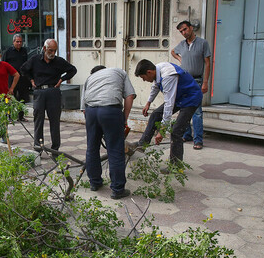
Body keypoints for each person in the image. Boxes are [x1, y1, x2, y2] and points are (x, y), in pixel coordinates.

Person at [128, 59, 202, 171]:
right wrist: (148, 102)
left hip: (191, 98)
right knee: (155, 114)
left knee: (176, 131)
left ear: (149, 72)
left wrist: (162, 131)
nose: (144, 80)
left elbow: (169, 105)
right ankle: (142, 144)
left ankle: (175, 165)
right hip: (180, 96)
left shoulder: (168, 76)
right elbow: (155, 86)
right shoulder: (157, 69)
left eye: (143, 78)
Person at [81, 66, 136, 199]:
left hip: (91, 111)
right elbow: (129, 96)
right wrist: (124, 118)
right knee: (115, 150)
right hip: (111, 110)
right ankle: (117, 189)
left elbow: (83, 108)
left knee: (92, 148)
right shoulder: (119, 72)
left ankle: (94, 183)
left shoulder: (90, 78)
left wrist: (95, 126)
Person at [20, 39, 77, 152]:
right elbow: (23, 69)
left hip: (53, 91)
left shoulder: (59, 61)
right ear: (44, 48)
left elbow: (73, 70)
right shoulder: (35, 60)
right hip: (39, 91)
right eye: (50, 50)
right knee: (38, 121)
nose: (52, 53)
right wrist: (31, 80)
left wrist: (62, 79)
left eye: (55, 51)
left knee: (55, 122)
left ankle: (55, 149)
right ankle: (38, 147)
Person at [170, 21, 211, 150]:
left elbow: (208, 63)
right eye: (181, 31)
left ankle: (198, 140)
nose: (184, 33)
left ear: (191, 28)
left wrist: (205, 82)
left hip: (197, 81)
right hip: (184, 81)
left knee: (197, 112)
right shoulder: (182, 45)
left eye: (185, 29)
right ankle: (187, 135)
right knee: (184, 109)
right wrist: (180, 59)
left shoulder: (203, 43)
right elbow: (173, 52)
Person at [1, 34, 30, 122]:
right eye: (17, 41)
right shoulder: (7, 52)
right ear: (13, 42)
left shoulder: (24, 51)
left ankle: (20, 116)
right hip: (11, 79)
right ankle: (9, 116)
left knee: (22, 98)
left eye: (21, 42)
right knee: (10, 97)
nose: (19, 43)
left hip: (22, 79)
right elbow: (3, 66)